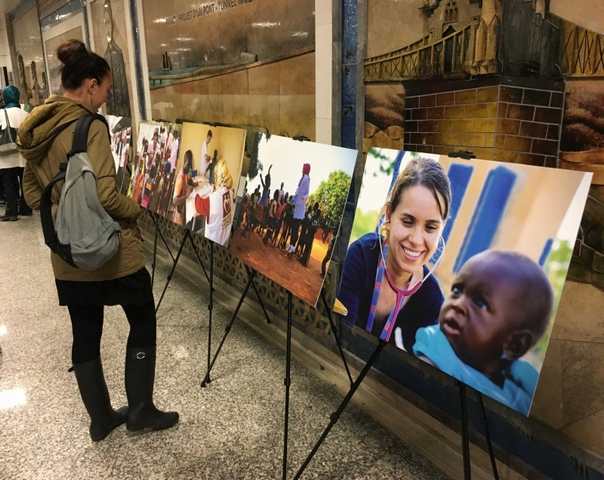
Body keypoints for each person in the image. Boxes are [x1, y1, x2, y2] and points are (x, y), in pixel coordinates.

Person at [19, 40, 178, 441]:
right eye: (106, 88)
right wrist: (140, 210)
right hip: (112, 252)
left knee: (84, 331)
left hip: (67, 254)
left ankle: (102, 418)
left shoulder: (37, 128)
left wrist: (65, 216)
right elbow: (106, 196)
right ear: (90, 84)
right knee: (142, 317)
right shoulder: (90, 127)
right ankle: (140, 410)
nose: (108, 97)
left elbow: (32, 194)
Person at [413, 250, 553, 415]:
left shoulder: (523, 391)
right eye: (457, 290)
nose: (458, 304)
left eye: (480, 303)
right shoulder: (435, 356)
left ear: (514, 345)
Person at [338, 157, 451, 351]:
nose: (416, 239)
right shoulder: (361, 257)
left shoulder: (432, 301)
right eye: (407, 221)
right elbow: (338, 337)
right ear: (389, 215)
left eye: (431, 227)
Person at [0, 85, 31, 221]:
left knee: (9, 183)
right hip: (23, 155)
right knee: (25, 182)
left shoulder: (1, 113)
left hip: (6, 155)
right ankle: (26, 208)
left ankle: (12, 212)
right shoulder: (25, 113)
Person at [287, 163, 310, 254]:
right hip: (299, 206)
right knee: (294, 228)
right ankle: (292, 246)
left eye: (303, 168)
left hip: (299, 206)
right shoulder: (305, 178)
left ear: (305, 169)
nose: (302, 170)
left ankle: (292, 247)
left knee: (295, 228)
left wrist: (293, 200)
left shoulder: (305, 179)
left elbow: (300, 193)